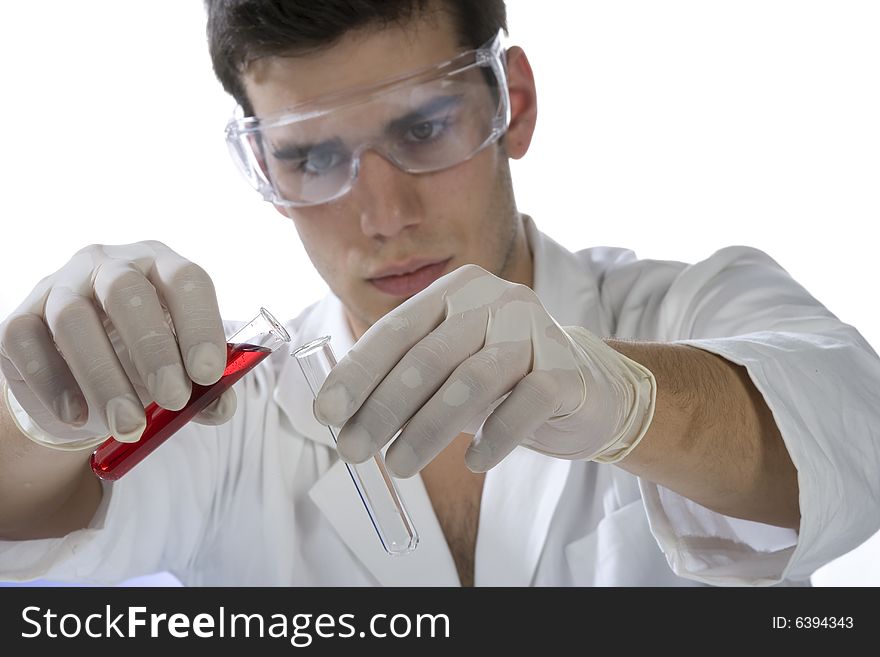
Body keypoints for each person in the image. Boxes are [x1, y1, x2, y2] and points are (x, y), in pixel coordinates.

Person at [0, 0, 878, 587]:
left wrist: (628, 401)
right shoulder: (237, 413)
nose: (382, 214)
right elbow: (26, 528)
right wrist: (41, 410)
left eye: (423, 128)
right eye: (312, 157)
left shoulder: (687, 306)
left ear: (515, 103)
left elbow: (853, 433)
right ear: (264, 169)